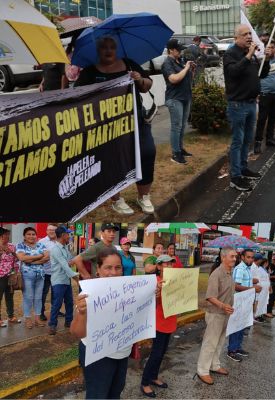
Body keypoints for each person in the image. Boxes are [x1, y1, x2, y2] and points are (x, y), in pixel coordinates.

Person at [75, 35, 156, 214]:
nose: (108, 50)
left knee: (147, 153)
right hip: (105, 126)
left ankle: (143, 196)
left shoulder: (129, 64)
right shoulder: (89, 72)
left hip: (135, 120)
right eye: (104, 47)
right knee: (110, 160)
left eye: (112, 47)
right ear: (98, 51)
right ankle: (116, 199)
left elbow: (147, 85)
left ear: (116, 49)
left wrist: (138, 79)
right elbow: (78, 95)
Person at [70, 248, 130, 399]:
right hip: (98, 355)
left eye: (118, 268)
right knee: (97, 395)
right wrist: (82, 313)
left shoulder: (130, 290)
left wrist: (153, 296)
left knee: (115, 392)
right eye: (108, 267)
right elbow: (77, 333)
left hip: (122, 352)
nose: (114, 272)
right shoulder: (89, 294)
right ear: (98, 270)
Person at [223, 24, 271, 191]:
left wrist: (267, 58)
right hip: (237, 105)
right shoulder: (231, 54)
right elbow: (233, 72)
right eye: (245, 34)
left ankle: (243, 168)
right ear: (236, 38)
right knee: (238, 140)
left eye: (250, 34)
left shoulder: (249, 55)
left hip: (251, 103)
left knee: (247, 139)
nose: (249, 37)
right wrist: (249, 54)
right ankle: (235, 177)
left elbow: (262, 74)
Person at [195, 247, 236, 385]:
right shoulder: (216, 274)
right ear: (223, 257)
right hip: (216, 314)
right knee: (210, 343)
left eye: (235, 256)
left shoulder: (230, 273)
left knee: (220, 342)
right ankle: (202, 371)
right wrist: (223, 306)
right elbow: (210, 297)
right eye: (232, 256)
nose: (234, 259)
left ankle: (214, 365)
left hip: (225, 314)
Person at [141, 255, 177, 397]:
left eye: (171, 264)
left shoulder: (175, 281)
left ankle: (154, 377)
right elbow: (149, 304)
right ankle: (144, 383)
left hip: (170, 321)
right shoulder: (155, 281)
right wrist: (157, 293)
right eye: (166, 264)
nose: (169, 267)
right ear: (159, 266)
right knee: (155, 354)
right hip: (159, 323)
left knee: (162, 352)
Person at [163, 38, 195, 165]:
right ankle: (175, 154)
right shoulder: (167, 63)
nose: (181, 52)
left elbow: (187, 78)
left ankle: (180, 149)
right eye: (178, 50)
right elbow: (174, 79)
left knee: (182, 126)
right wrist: (186, 68)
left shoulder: (180, 61)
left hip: (185, 97)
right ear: (171, 50)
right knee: (176, 127)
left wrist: (191, 70)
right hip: (175, 98)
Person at [227, 249, 261, 361]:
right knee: (236, 326)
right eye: (248, 257)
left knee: (241, 326)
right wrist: (253, 288)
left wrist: (253, 282)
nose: (250, 259)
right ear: (242, 257)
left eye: (252, 257)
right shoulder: (240, 269)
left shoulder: (248, 269)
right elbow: (235, 286)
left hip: (246, 302)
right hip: (238, 302)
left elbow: (246, 283)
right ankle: (231, 350)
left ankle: (237, 347)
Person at [16, 227, 50, 329]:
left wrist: (30, 260)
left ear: (36, 236)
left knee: (38, 298)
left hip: (40, 276)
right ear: (24, 236)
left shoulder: (41, 244)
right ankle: (27, 319)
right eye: (29, 234)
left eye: (33, 234)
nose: (31, 236)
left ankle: (37, 318)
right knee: (28, 298)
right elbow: (22, 258)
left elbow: (47, 258)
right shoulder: (20, 245)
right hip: (27, 276)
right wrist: (39, 256)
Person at [47, 226, 78, 335]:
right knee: (57, 303)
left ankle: (69, 321)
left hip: (65, 280)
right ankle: (52, 324)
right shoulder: (55, 249)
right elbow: (66, 266)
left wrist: (72, 261)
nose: (69, 236)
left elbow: (71, 260)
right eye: (68, 234)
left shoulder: (65, 248)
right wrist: (77, 278)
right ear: (63, 235)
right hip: (58, 281)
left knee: (69, 302)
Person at [0, 227, 20, 327]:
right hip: (0, 276)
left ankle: (11, 316)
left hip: (10, 275)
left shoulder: (12, 246)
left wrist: (11, 252)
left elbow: (17, 259)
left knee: (9, 296)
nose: (8, 236)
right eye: (5, 235)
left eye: (8, 234)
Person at [38, 224, 58, 322]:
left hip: (57, 273)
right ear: (46, 231)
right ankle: (41, 312)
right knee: (43, 293)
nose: (51, 231)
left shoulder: (60, 241)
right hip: (45, 272)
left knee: (56, 294)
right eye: (49, 230)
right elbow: (37, 255)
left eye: (53, 230)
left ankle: (55, 311)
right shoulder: (41, 242)